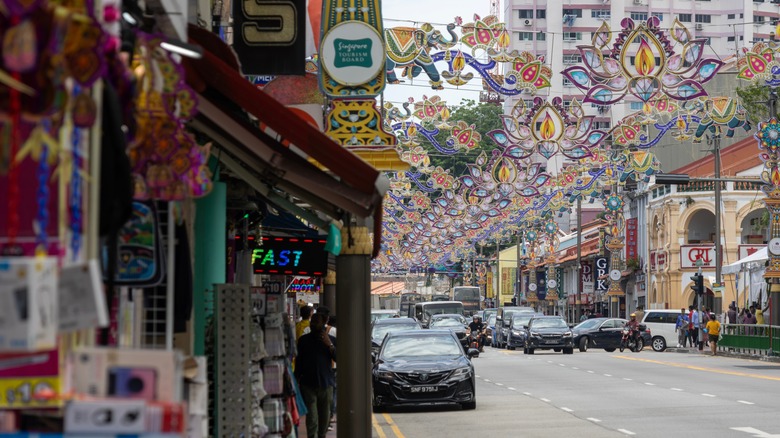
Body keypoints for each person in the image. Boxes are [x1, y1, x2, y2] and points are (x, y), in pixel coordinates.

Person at [295, 313, 336, 438]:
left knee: (325, 416)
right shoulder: (303, 340)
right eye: (312, 321)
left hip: (326, 383)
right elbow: (299, 362)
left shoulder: (330, 340)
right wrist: (296, 380)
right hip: (308, 384)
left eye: (316, 321)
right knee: (312, 416)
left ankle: (322, 435)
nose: (313, 324)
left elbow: (339, 358)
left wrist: (329, 344)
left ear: (323, 323)